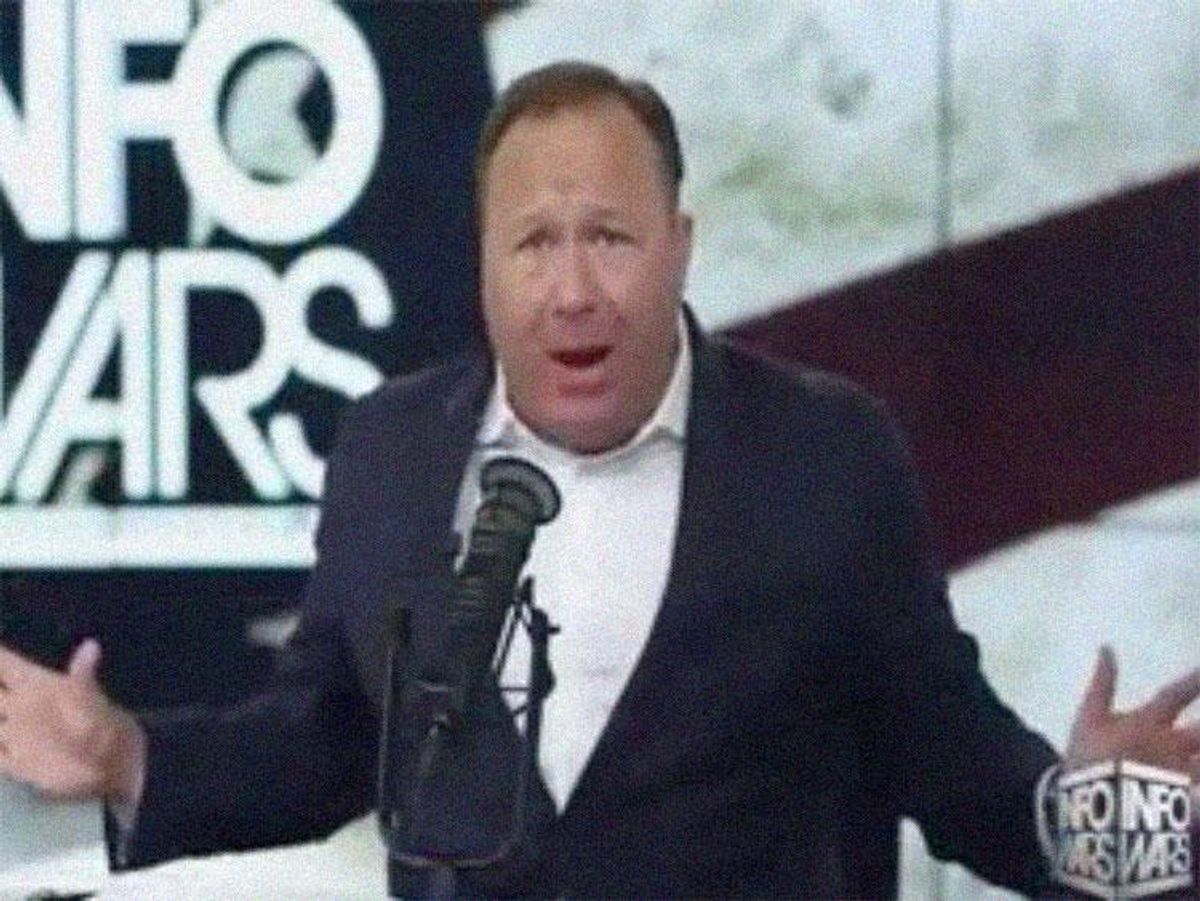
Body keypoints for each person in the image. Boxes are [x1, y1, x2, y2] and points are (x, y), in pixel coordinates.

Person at [1, 61, 1197, 897]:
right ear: (482, 266)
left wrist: (1107, 823)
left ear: (680, 245)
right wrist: (129, 759)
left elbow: (952, 758)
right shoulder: (393, 452)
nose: (573, 290)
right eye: (535, 242)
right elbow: (329, 736)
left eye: (610, 238)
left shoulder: (824, 458)